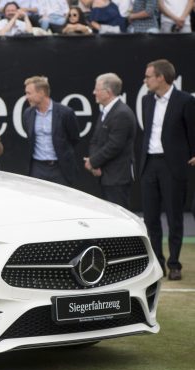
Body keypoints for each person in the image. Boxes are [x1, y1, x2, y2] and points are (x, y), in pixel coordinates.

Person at [140, 59, 195, 281]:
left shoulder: (185, 101)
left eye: (148, 76)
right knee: (151, 218)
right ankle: (158, 263)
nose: (145, 80)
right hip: (149, 163)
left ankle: (174, 264)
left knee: (174, 217)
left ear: (161, 77)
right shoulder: (146, 101)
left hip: (173, 165)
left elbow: (193, 129)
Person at [84, 73, 136, 209]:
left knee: (120, 219)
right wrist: (95, 164)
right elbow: (95, 140)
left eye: (97, 89)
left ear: (108, 92)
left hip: (117, 178)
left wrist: (93, 162)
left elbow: (115, 145)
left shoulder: (122, 113)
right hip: (104, 175)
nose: (94, 92)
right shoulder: (105, 111)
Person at [23, 76, 80, 187]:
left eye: (29, 93)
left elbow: (74, 138)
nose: (26, 97)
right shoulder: (28, 114)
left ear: (41, 93)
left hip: (60, 169)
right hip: (37, 168)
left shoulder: (65, 113)